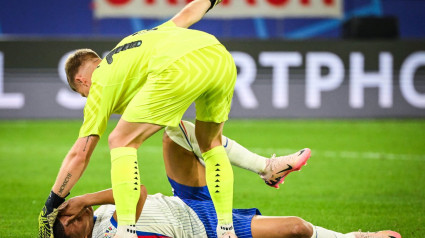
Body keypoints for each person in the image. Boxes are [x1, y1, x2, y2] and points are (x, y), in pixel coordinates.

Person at [39, 0, 245, 237]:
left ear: (81, 81)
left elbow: (80, 155)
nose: (88, 97)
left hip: (176, 68)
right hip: (220, 57)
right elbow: (189, 13)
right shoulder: (134, 42)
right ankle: (226, 228)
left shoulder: (99, 84)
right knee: (210, 144)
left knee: (121, 141)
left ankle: (126, 231)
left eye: (83, 94)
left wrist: (52, 202)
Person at [52, 121, 401, 238]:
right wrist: (84, 199)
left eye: (67, 211)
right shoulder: (106, 231)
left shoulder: (93, 219)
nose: (72, 214)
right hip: (203, 226)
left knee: (172, 130)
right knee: (296, 229)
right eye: (68, 222)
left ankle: (269, 166)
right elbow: (136, 193)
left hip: (182, 198)